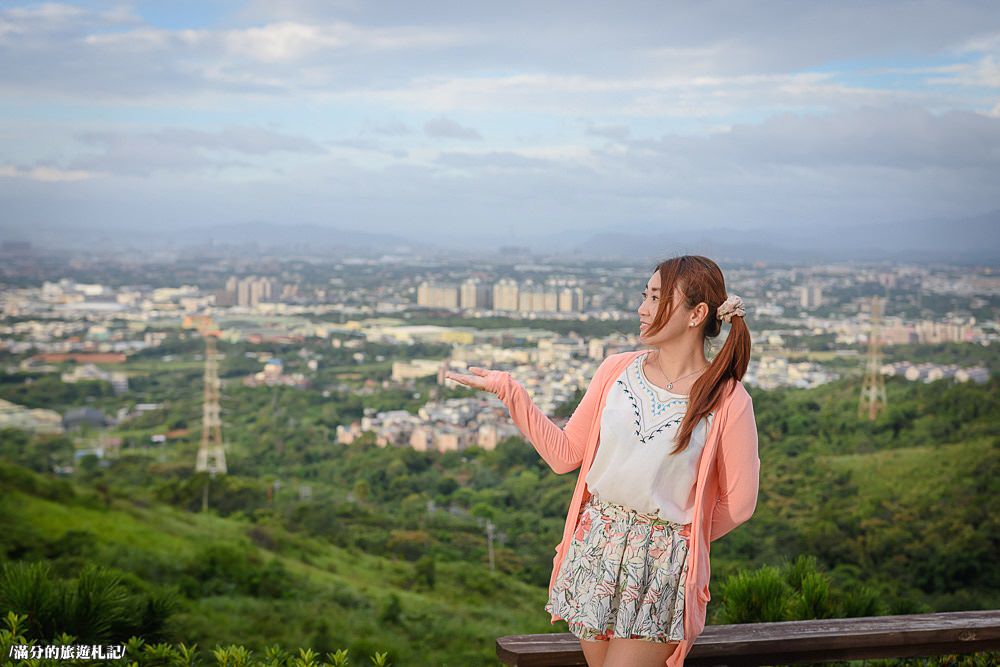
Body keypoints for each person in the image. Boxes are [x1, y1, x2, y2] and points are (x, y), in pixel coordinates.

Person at [446, 254, 760, 667]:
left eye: (656, 297)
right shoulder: (616, 370)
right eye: (644, 296)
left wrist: (676, 538)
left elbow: (739, 504)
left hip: (659, 570)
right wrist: (511, 393)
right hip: (595, 552)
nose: (642, 308)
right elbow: (565, 456)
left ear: (696, 314)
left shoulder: (727, 399)